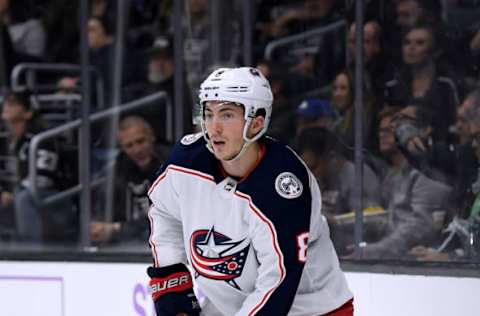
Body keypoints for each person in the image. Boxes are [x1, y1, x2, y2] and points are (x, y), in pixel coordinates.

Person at [146, 67, 353, 316]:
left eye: (227, 115)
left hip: (310, 310)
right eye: (209, 114)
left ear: (256, 124)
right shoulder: (186, 162)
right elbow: (165, 211)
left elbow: (277, 284)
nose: (214, 128)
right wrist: (173, 280)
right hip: (232, 306)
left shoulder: (283, 186)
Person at [0, 89, 75, 242]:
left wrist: (12, 194)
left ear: (28, 112)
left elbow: (42, 182)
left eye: (13, 103)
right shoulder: (3, 141)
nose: (6, 106)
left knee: (24, 199)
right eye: (5, 102)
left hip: (52, 201)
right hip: (16, 198)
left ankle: (30, 254)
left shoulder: (42, 140)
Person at [90, 116, 170, 244]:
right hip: (128, 244)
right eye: (129, 146)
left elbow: (168, 220)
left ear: (151, 137)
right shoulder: (118, 170)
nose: (137, 150)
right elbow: (104, 211)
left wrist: (117, 229)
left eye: (140, 141)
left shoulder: (173, 166)